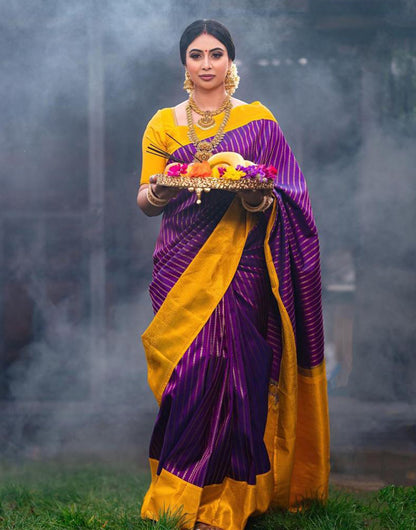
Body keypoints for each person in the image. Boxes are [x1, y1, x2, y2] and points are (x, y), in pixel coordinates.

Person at [137, 19, 330, 530]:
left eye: (216, 54)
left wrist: (251, 193)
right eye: (196, 55)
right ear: (184, 63)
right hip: (181, 266)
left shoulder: (259, 121)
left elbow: (279, 193)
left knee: (239, 373)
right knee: (190, 373)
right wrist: (159, 192)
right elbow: (146, 197)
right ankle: (178, 497)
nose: (206, 65)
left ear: (230, 61)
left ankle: (232, 501)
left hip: (241, 261)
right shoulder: (163, 124)